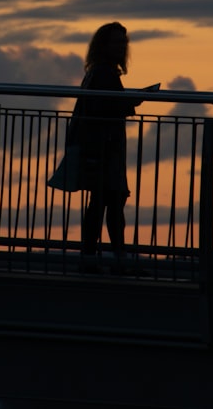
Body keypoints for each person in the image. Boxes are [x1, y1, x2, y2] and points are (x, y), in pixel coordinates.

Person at [68, 22, 140, 274]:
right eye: (116, 42)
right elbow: (102, 107)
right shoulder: (103, 73)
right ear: (104, 46)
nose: (121, 47)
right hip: (105, 147)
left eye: (123, 42)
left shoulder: (100, 71)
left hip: (102, 146)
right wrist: (130, 103)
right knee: (110, 199)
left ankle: (95, 258)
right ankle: (112, 259)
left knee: (103, 200)